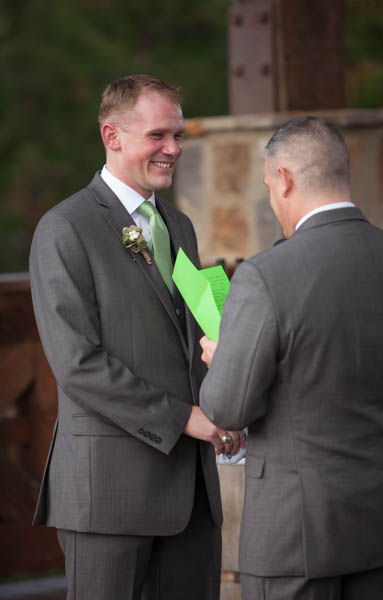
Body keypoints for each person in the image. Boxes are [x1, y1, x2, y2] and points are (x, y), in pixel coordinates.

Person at [30, 74, 242, 600]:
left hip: (193, 495)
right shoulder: (65, 228)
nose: (173, 148)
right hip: (111, 496)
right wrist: (185, 418)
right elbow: (77, 364)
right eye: (157, 136)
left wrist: (230, 407)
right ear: (112, 136)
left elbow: (199, 330)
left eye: (178, 135)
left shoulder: (180, 226)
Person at [199, 116, 383, 600]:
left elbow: (226, 407)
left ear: (284, 179)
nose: (272, 200)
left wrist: (224, 358)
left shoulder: (266, 274)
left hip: (297, 536)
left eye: (269, 187)